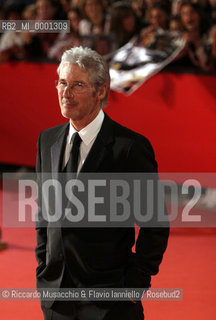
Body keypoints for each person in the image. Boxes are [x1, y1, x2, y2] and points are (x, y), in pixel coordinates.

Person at [35, 46, 169, 320]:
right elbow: (44, 213)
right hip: (57, 300)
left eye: (77, 85)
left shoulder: (129, 148)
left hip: (110, 303)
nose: (66, 93)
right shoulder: (46, 140)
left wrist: (135, 284)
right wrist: (44, 270)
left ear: (101, 91)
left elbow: (155, 224)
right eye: (62, 82)